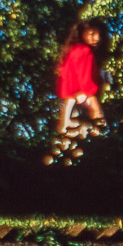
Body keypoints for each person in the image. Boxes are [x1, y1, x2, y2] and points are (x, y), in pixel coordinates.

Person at [49, 19, 108, 165]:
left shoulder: (73, 51)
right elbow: (85, 78)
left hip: (70, 98)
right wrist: (90, 98)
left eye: (99, 35)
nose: (97, 38)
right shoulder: (84, 51)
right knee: (98, 128)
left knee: (66, 131)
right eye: (92, 34)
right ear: (82, 34)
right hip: (82, 95)